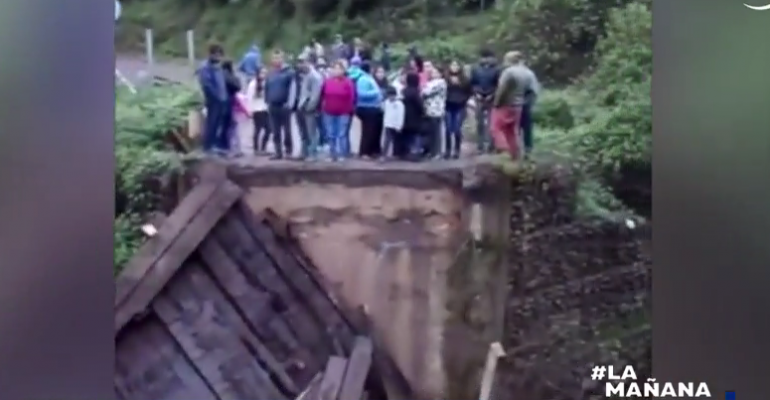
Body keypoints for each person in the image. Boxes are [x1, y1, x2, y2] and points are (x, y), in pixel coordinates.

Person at [491, 51, 535, 159]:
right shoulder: (528, 73)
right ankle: (515, 154)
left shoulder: (508, 72)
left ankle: (504, 151)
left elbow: (502, 89)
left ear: (509, 60)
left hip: (506, 104)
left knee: (496, 128)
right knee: (512, 131)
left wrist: (496, 103)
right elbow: (533, 91)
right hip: (519, 106)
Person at [320, 60, 356, 161]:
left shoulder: (348, 82)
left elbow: (352, 97)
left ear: (343, 70)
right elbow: (322, 95)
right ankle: (332, 155)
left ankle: (342, 155)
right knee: (330, 134)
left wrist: (350, 110)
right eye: (334, 68)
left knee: (342, 134)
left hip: (343, 112)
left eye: (339, 68)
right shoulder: (327, 82)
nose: (336, 70)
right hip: (328, 111)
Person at [264, 49, 296, 159]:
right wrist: (267, 100)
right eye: (274, 58)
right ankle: (278, 152)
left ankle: (288, 151)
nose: (276, 60)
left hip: (284, 105)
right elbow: (266, 88)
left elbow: (293, 89)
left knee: (287, 130)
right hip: (272, 105)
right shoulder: (270, 73)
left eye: (278, 58)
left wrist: (290, 103)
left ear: (283, 59)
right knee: (275, 130)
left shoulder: (289, 72)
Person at [197, 43, 228, 154]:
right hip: (213, 100)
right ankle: (208, 146)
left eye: (220, 55)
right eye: (217, 55)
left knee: (218, 123)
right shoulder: (205, 68)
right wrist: (216, 96)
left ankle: (213, 145)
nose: (219, 57)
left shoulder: (218, 67)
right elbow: (206, 85)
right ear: (211, 55)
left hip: (222, 100)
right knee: (211, 123)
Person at [349, 61, 383, 159]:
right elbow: (361, 94)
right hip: (366, 108)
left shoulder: (368, 78)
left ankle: (372, 151)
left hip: (374, 107)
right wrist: (376, 93)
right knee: (368, 131)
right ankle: (364, 152)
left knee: (373, 131)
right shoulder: (363, 79)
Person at [470, 48, 500, 153]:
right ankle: (480, 145)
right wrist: (476, 93)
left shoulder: (497, 69)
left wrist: (492, 94)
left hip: (492, 98)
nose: (486, 60)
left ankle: (492, 145)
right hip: (479, 97)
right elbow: (472, 83)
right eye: (484, 58)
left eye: (488, 58)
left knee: (492, 123)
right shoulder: (475, 69)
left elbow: (498, 84)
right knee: (480, 123)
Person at [295, 55, 324, 160]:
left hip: (309, 109)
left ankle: (313, 154)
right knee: (304, 132)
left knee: (312, 132)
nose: (300, 64)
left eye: (303, 62)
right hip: (302, 107)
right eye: (299, 62)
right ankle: (305, 152)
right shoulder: (304, 75)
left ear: (309, 62)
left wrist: (309, 107)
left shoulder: (315, 76)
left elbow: (315, 95)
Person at [444, 60, 472, 159]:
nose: (454, 67)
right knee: (447, 129)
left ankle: (456, 150)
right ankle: (447, 150)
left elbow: (469, 92)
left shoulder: (465, 79)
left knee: (457, 129)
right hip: (448, 105)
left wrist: (464, 100)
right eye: (452, 65)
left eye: (456, 65)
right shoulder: (445, 78)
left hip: (460, 106)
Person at [421, 63, 447, 159]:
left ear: (441, 74)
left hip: (436, 110)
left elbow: (426, 92)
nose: (434, 73)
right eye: (433, 72)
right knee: (430, 132)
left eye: (436, 72)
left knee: (436, 132)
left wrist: (424, 89)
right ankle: (431, 151)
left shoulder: (441, 82)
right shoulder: (430, 82)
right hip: (428, 110)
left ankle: (437, 152)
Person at [516, 54, 540, 154]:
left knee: (524, 126)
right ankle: (525, 148)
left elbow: (534, 90)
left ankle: (526, 148)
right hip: (523, 101)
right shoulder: (529, 73)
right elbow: (535, 90)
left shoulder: (527, 73)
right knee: (525, 126)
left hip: (521, 101)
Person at [399, 72, 425, 160]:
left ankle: (405, 153)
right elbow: (420, 105)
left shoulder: (403, 91)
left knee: (406, 135)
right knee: (416, 135)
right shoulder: (416, 92)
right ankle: (415, 153)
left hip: (404, 117)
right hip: (415, 118)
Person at [246, 68, 271, 154]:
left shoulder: (266, 83)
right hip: (256, 109)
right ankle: (256, 149)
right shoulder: (253, 84)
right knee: (258, 129)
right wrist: (249, 110)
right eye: (262, 73)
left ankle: (263, 148)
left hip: (265, 109)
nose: (264, 75)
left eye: (265, 73)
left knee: (269, 129)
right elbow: (249, 98)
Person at [381, 85, 404, 161]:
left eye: (392, 96)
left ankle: (396, 154)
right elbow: (384, 111)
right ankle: (384, 155)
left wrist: (399, 125)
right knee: (387, 140)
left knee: (396, 140)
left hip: (396, 125)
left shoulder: (399, 104)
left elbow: (401, 115)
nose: (390, 98)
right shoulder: (386, 102)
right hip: (388, 124)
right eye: (389, 96)